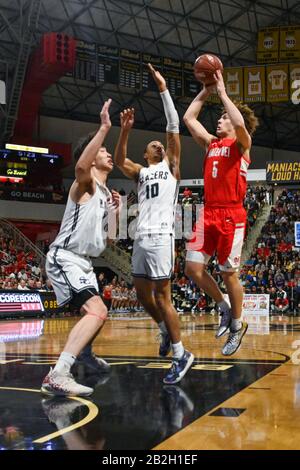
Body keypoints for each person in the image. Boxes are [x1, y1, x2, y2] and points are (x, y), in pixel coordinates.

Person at [114, 63, 194, 385]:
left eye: (160, 145)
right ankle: (163, 330)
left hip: (162, 237)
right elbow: (120, 161)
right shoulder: (141, 172)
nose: (159, 146)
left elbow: (173, 124)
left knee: (164, 298)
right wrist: (125, 130)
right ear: (146, 155)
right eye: (154, 146)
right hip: (140, 238)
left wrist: (162, 88)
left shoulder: (172, 167)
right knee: (141, 294)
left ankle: (180, 354)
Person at [41, 99, 121, 396]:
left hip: (85, 261)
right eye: (102, 150)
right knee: (97, 311)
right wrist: (103, 128)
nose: (108, 154)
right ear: (91, 157)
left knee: (100, 314)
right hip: (66, 257)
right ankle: (58, 373)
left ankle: (84, 354)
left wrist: (117, 211)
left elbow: (110, 240)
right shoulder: (85, 184)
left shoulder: (103, 194)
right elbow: (79, 166)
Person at [183, 70, 258, 356]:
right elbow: (189, 119)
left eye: (224, 117)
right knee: (192, 268)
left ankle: (238, 326)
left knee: (229, 275)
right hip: (209, 213)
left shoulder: (242, 145)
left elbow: (239, 123)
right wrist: (206, 90)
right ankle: (225, 307)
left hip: (231, 215)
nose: (220, 119)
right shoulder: (211, 143)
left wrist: (224, 93)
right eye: (222, 117)